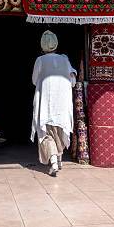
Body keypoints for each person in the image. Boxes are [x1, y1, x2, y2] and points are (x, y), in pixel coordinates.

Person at [31, 30, 76, 177]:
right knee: (59, 131)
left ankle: (54, 163)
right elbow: (73, 80)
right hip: (62, 103)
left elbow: (34, 80)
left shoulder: (40, 60)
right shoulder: (65, 59)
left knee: (47, 133)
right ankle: (59, 160)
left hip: (46, 104)